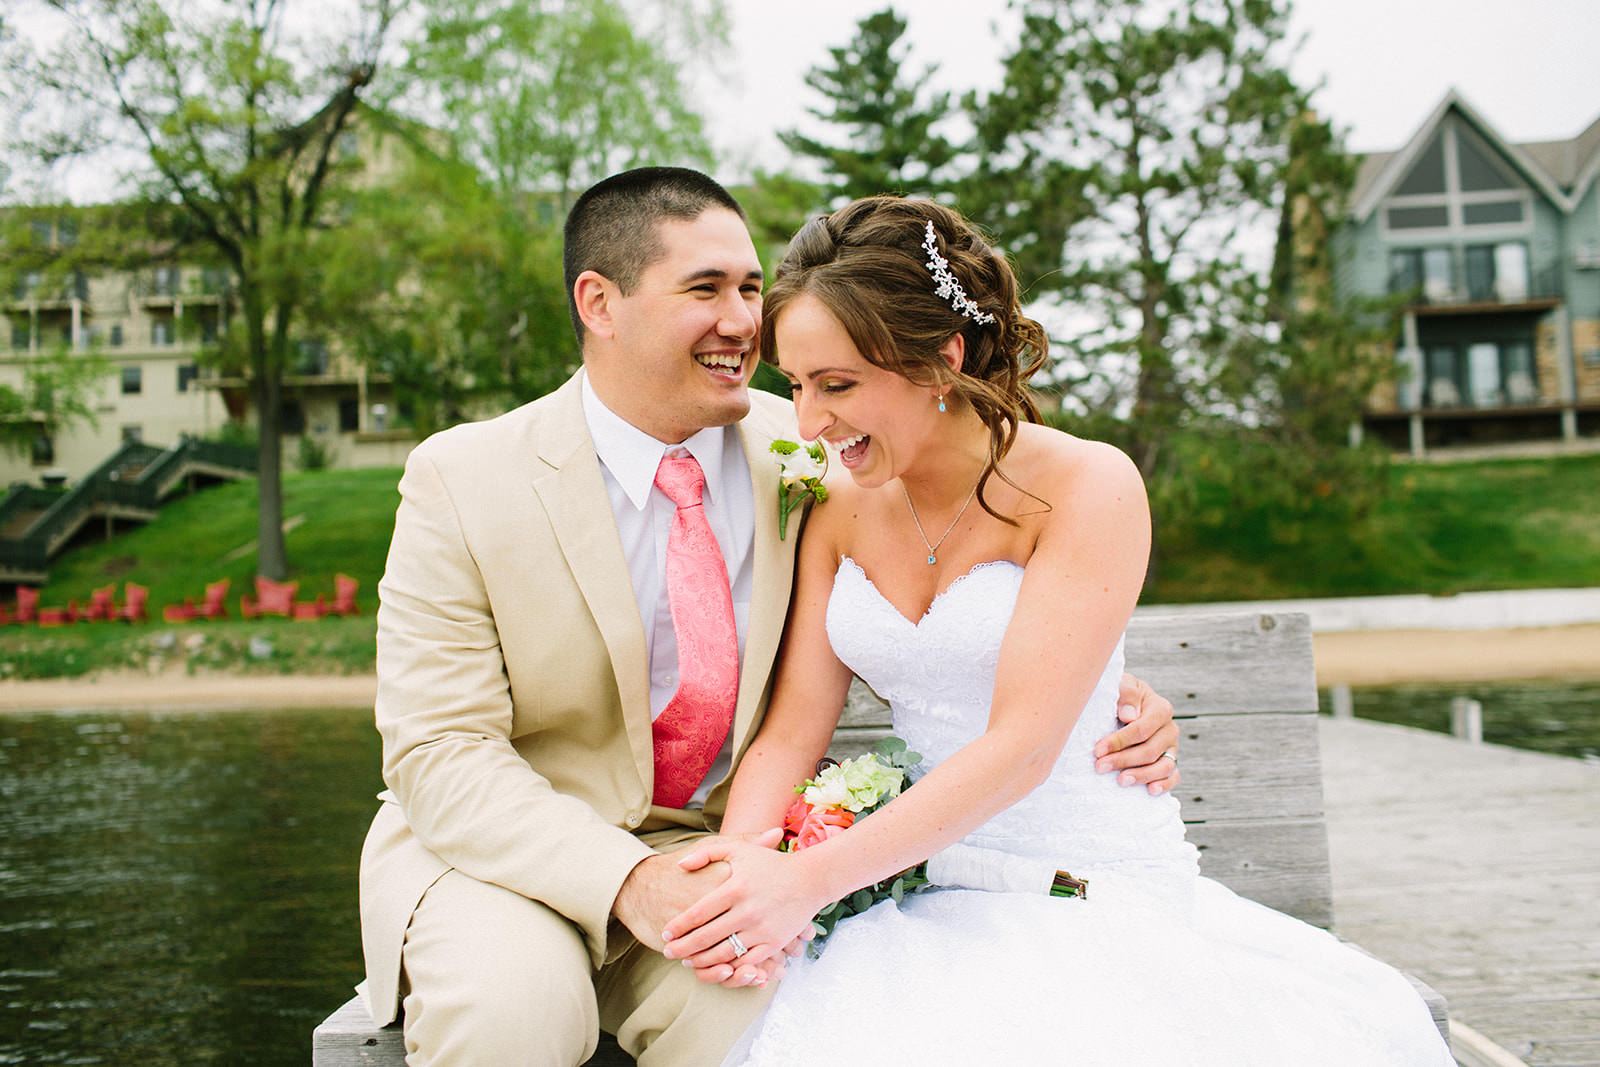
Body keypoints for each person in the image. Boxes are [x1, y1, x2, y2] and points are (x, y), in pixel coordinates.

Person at [354, 167, 1183, 1066]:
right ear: (599, 301)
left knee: (796, 1029)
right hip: (502, 861)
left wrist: (1105, 692)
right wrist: (631, 878)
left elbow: (992, 611)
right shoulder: (464, 478)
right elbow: (438, 750)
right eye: (705, 289)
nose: (744, 321)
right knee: (511, 1022)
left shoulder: (815, 452)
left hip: (722, 851)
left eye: (750, 288)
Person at [657, 196, 1457, 1065]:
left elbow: (1024, 748)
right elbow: (788, 733)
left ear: (941, 359)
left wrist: (806, 881)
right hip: (914, 881)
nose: (810, 422)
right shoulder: (836, 505)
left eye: (838, 385)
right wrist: (742, 886)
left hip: (1088, 883)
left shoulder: (1085, 486)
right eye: (797, 386)